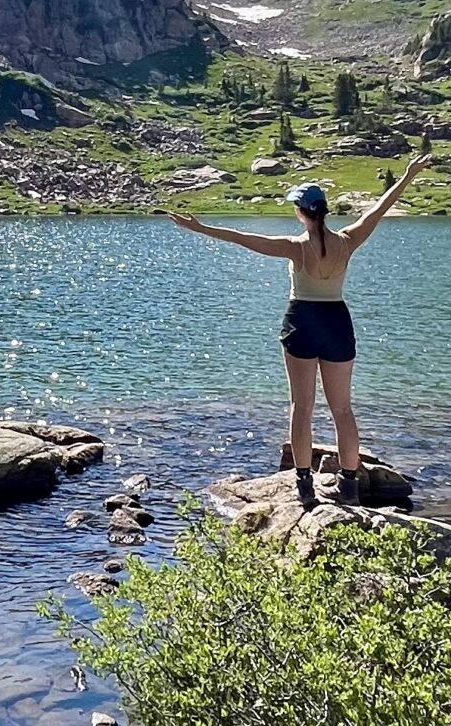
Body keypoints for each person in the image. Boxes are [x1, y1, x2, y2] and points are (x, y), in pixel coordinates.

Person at [172, 152, 434, 508]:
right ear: (324, 210)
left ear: (300, 211)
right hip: (337, 322)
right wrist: (407, 175)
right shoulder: (347, 240)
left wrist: (200, 227)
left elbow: (242, 238)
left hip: (302, 321)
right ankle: (350, 485)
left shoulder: (294, 247)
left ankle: (304, 484)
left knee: (301, 407)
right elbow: (379, 209)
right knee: (343, 409)